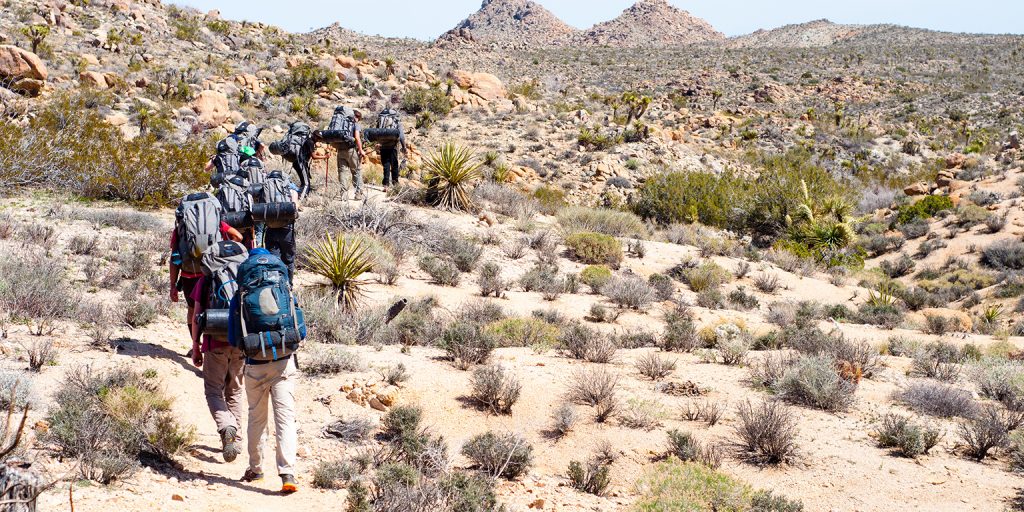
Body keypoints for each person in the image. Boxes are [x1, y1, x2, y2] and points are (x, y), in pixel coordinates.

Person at [228, 248, 300, 494]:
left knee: (257, 418)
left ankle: (256, 469)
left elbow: (234, 336)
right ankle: (287, 472)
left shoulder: (241, 294)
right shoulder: (285, 289)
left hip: (255, 364)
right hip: (283, 361)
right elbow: (301, 329)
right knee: (285, 419)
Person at [189, 241, 248, 463]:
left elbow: (197, 316)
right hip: (240, 342)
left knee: (213, 391)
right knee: (235, 390)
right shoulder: (245, 276)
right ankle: (238, 439)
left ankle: (226, 426)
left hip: (215, 342)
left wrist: (195, 345)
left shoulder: (206, 280)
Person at [169, 203, 243, 347]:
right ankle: (212, 345)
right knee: (214, 306)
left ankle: (195, 344)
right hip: (212, 271)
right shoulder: (217, 223)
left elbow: (174, 259)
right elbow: (238, 236)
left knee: (193, 309)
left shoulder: (180, 229)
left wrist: (173, 285)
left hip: (189, 275)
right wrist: (220, 250)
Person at [251, 170, 301, 282]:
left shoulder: (263, 188)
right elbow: (295, 209)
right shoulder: (289, 188)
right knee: (288, 259)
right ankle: (289, 285)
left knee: (274, 259)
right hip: (287, 229)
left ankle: (277, 285)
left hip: (270, 229)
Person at [325, 106, 368, 201]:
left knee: (342, 172)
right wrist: (361, 150)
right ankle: (358, 194)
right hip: (351, 150)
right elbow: (357, 137)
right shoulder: (355, 124)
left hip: (340, 150)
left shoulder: (340, 122)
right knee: (356, 171)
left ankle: (343, 194)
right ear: (357, 117)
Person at [375, 107, 408, 191]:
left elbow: (376, 132)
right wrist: (404, 147)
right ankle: (395, 183)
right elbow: (401, 136)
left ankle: (386, 185)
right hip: (393, 146)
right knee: (394, 165)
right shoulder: (397, 122)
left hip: (383, 146)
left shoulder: (380, 121)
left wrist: (378, 143)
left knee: (386, 165)